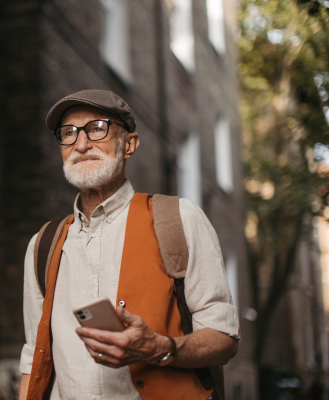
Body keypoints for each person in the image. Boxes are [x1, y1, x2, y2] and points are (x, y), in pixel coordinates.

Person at [18, 89, 239, 400]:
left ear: (130, 145)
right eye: (68, 133)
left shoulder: (177, 219)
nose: (81, 144)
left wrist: (160, 348)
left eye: (97, 128)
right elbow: (34, 355)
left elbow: (224, 338)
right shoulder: (44, 244)